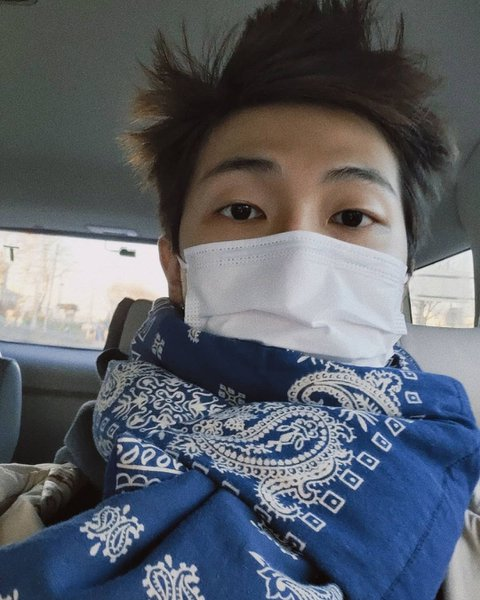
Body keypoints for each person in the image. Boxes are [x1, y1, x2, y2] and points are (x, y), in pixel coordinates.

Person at [0, 1, 478, 599]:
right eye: (244, 209)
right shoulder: (29, 507)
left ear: (400, 276)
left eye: (353, 217)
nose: (299, 257)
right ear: (176, 267)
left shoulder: (463, 539)